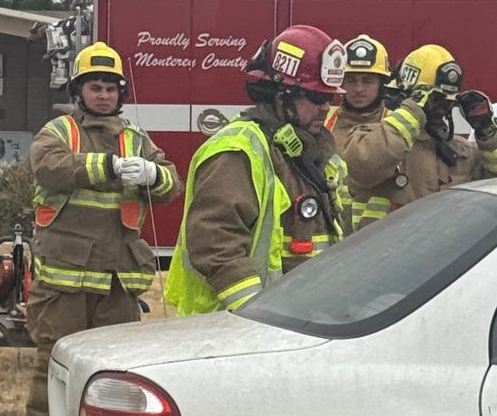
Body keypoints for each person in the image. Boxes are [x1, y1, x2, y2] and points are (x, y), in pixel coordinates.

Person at [24, 41, 182, 416]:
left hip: (117, 278)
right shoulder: (60, 132)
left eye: (111, 87)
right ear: (79, 92)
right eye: (95, 86)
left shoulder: (137, 139)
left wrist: (155, 174)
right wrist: (108, 167)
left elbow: (173, 186)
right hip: (65, 278)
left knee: (111, 372)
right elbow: (49, 167)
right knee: (53, 364)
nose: (104, 95)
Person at [165, 24, 347, 316]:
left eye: (329, 98)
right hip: (235, 329)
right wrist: (256, 313)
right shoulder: (240, 150)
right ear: (281, 95)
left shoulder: (311, 152)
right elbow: (215, 243)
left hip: (299, 322)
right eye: (315, 97)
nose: (326, 107)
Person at [333, 43, 497, 229]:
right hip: (380, 255)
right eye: (433, 100)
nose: (439, 108)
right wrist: (413, 111)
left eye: (444, 102)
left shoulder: (461, 153)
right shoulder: (377, 141)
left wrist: (487, 132)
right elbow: (364, 163)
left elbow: (491, 190)